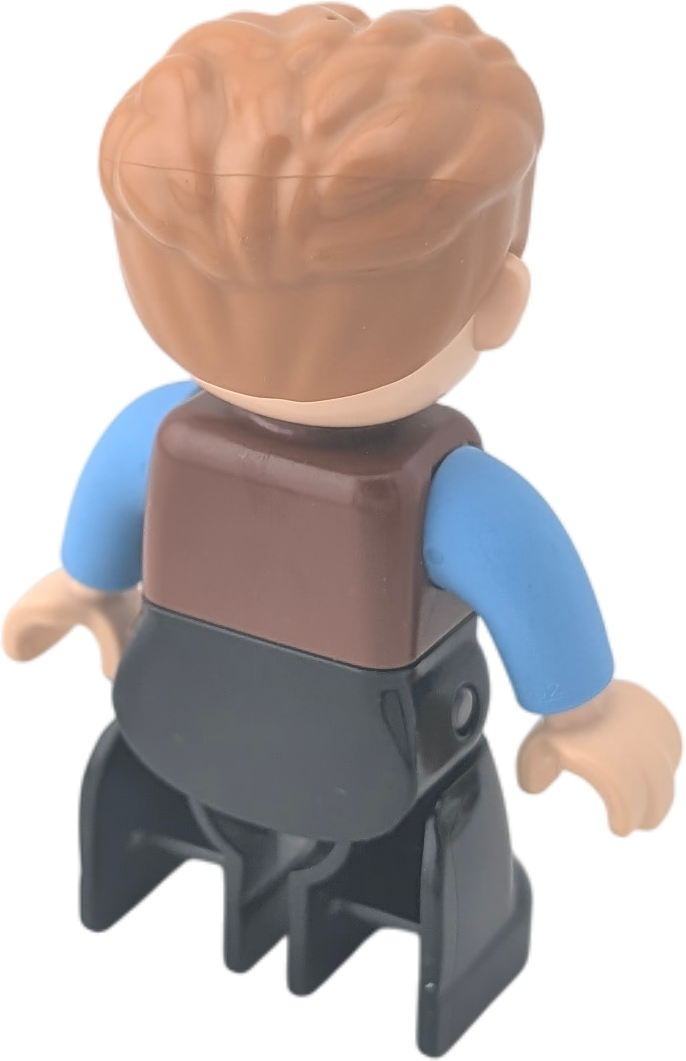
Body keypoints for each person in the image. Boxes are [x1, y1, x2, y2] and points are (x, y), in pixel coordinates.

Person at [4, 7, 680, 1055]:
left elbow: (102, 520)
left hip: (169, 722)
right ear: (502, 298)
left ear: (147, 293)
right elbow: (533, 591)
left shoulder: (156, 434)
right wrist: (585, 718)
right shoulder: (452, 494)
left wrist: (78, 588)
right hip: (385, 771)